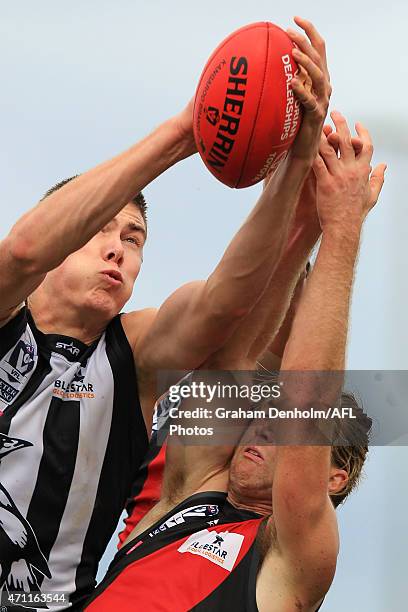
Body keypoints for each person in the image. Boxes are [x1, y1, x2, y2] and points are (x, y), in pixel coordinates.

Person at [0, 17, 331, 610]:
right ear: (60, 241)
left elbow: (228, 302)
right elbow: (24, 251)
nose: (116, 249)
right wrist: (184, 133)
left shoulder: (134, 354)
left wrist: (293, 169)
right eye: (99, 230)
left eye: (134, 239)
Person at [85, 115, 386, 611]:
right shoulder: (186, 494)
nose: (264, 429)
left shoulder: (291, 555)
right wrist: (294, 206)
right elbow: (234, 357)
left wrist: (342, 228)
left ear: (334, 477)